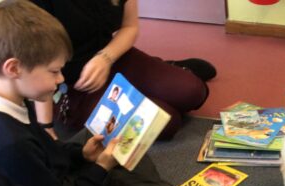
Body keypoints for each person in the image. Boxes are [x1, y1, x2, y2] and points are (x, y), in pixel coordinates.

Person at [0, 0, 217, 186]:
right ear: (13, 68)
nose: (60, 80)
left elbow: (51, 153)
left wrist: (81, 153)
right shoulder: (12, 143)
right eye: (54, 71)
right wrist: (99, 169)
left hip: (55, 175)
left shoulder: (15, 98)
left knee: (121, 126)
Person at [31, 0, 214, 140]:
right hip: (73, 84)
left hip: (113, 56)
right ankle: (160, 76)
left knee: (194, 91)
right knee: (166, 122)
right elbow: (37, 61)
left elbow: (129, 27)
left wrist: (104, 58)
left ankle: (162, 70)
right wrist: (45, 126)